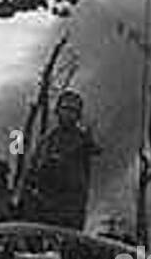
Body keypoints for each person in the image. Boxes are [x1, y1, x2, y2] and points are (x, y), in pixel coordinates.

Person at [16, 90, 100, 230]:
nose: (68, 114)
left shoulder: (83, 143)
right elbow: (31, 171)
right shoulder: (47, 140)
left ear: (78, 115)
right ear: (57, 111)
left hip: (68, 217)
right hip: (39, 214)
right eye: (65, 109)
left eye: (72, 110)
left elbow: (80, 184)